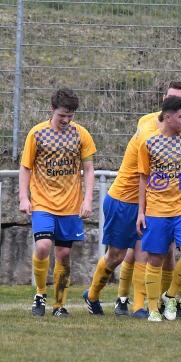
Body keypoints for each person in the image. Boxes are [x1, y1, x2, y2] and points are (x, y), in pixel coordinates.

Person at [82, 81, 181, 318]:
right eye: (171, 98)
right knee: (116, 256)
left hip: (148, 202)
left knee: (145, 251)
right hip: (123, 199)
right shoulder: (148, 123)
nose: (175, 103)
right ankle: (92, 295)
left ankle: (140, 306)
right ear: (164, 102)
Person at [19, 87, 96, 318]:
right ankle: (40, 294)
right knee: (43, 246)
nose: (66, 119)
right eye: (62, 114)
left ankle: (59, 305)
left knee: (63, 254)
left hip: (71, 205)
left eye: (70, 116)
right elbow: (26, 167)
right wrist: (24, 197)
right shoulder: (37, 133)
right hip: (42, 202)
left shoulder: (81, 134)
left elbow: (89, 169)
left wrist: (88, 199)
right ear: (52, 109)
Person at [136, 96, 181, 322]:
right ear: (167, 118)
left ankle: (170, 296)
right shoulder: (148, 142)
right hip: (157, 210)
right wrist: (141, 212)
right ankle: (152, 309)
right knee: (156, 259)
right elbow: (143, 179)